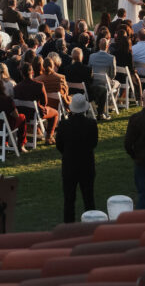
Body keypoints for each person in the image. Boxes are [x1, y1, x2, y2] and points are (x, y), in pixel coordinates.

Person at [55, 93, 99, 222]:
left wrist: (68, 153)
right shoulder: (91, 124)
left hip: (70, 165)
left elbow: (59, 145)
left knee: (69, 199)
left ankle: (69, 228)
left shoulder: (64, 125)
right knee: (89, 198)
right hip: (87, 165)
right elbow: (93, 143)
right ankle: (91, 225)